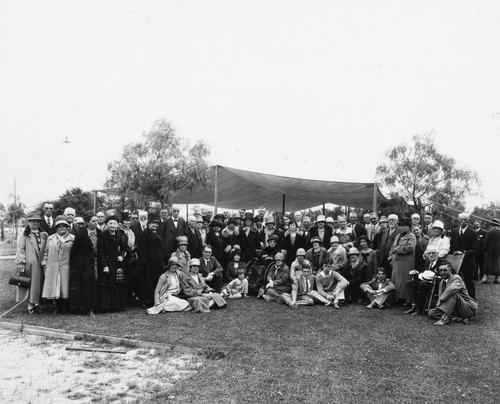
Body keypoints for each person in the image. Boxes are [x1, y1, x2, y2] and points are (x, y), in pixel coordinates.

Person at [15, 210, 48, 314]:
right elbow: (20, 249)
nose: (35, 223)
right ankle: (30, 306)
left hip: (40, 263)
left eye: (37, 221)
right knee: (30, 285)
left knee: (38, 284)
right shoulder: (25, 234)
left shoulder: (43, 234)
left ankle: (36, 304)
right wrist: (21, 262)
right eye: (33, 221)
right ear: (29, 222)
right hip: (29, 263)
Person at [69, 213, 102, 316]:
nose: (96, 223)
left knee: (96, 284)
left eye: (97, 221)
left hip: (97, 262)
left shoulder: (100, 233)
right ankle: (87, 307)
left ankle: (96, 306)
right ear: (87, 222)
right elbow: (74, 250)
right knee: (87, 284)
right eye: (93, 221)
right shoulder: (81, 233)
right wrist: (74, 265)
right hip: (84, 263)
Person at [42, 215, 75, 313]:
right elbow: (46, 251)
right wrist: (44, 262)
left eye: (64, 226)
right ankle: (58, 307)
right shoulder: (50, 238)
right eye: (59, 226)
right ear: (56, 227)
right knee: (55, 286)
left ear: (68, 227)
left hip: (67, 266)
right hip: (53, 266)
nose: (62, 228)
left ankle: (66, 307)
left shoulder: (73, 238)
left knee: (65, 286)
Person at [97, 215, 128, 311]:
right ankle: (107, 306)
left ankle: (117, 305)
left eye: (114, 223)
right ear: (107, 224)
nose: (112, 225)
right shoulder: (102, 235)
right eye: (110, 223)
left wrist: (122, 256)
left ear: (117, 225)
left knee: (117, 283)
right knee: (107, 284)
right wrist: (104, 266)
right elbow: (100, 252)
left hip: (117, 263)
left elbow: (124, 248)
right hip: (107, 262)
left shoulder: (121, 235)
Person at [405, 246, 446, 316]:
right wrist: (417, 272)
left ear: (437, 253)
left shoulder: (443, 263)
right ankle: (413, 306)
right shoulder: (427, 262)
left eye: (433, 253)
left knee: (423, 284)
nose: (431, 255)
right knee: (410, 283)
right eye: (429, 253)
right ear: (426, 254)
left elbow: (451, 274)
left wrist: (439, 276)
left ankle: (419, 309)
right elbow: (424, 273)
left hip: (438, 284)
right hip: (427, 282)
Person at [449, 212, 478, 299]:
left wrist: (465, 253)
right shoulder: (454, 231)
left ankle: (472, 299)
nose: (463, 221)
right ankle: (456, 299)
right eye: (461, 219)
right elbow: (451, 246)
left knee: (468, 281)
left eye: (465, 219)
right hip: (455, 262)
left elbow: (475, 249)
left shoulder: (472, 233)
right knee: (455, 280)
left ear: (469, 221)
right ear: (458, 220)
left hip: (467, 262)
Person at [137, 213, 164, 307]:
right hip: (148, 263)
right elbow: (142, 250)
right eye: (153, 223)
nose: (155, 225)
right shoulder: (144, 234)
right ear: (148, 223)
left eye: (157, 223)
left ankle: (154, 299)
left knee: (157, 281)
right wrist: (143, 263)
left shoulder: (158, 233)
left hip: (158, 262)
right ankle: (145, 301)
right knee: (147, 282)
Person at [389, 217, 416, 303]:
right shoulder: (398, 235)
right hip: (396, 261)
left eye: (406, 226)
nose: (404, 228)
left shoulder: (412, 236)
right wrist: (390, 257)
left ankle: (404, 299)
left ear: (409, 227)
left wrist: (398, 249)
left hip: (406, 262)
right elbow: (392, 247)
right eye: (402, 226)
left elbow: (411, 248)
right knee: (395, 280)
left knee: (403, 280)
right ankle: (396, 298)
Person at [376, 214, 401, 278]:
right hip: (384, 257)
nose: (391, 222)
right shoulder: (384, 231)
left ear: (397, 221)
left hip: (394, 257)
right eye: (389, 220)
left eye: (393, 220)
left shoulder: (400, 231)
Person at [483, 218, 500, 284]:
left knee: (488, 264)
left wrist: (484, 249)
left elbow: (486, 242)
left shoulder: (490, 231)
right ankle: (497, 279)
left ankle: (485, 278)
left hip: (490, 250)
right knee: (498, 263)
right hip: (498, 250)